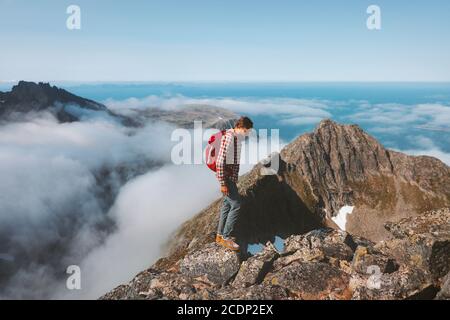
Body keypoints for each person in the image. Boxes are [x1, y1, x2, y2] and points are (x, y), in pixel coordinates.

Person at [215, 116, 253, 251]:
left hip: (229, 178)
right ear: (241, 128)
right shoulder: (230, 137)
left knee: (226, 205)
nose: (247, 133)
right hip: (226, 178)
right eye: (247, 131)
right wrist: (223, 183)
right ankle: (226, 238)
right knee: (236, 205)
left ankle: (219, 236)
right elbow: (220, 162)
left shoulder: (235, 138)